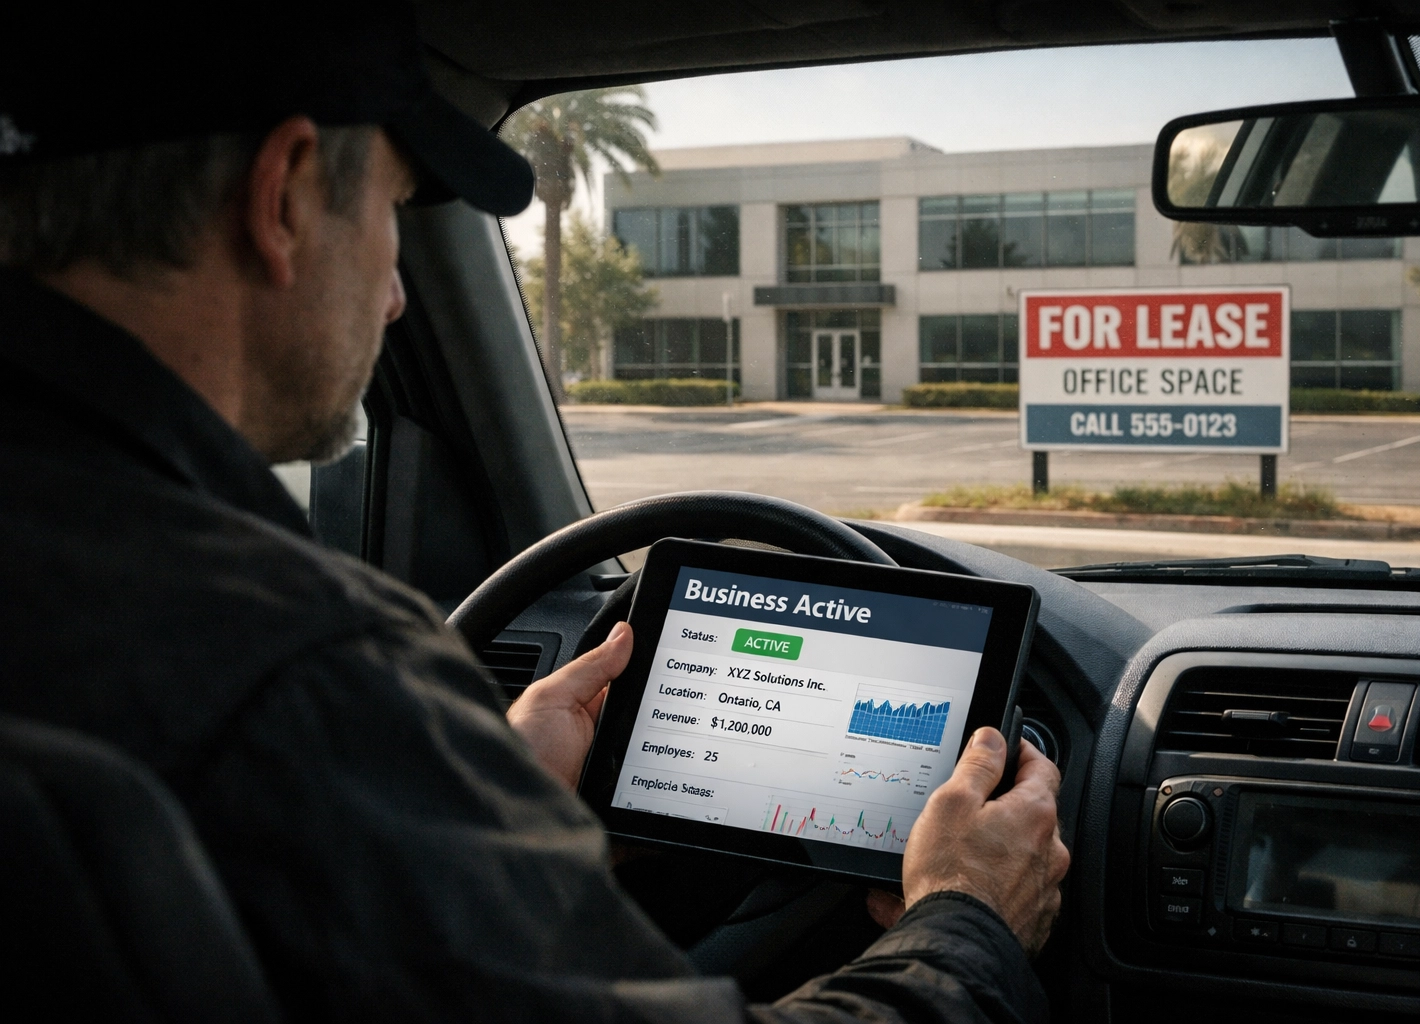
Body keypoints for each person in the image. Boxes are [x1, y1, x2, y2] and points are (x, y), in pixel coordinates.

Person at [0, 3, 1070, 1021]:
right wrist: (966, 921)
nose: (396, 294)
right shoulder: (304, 678)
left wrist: (490, 795)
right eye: (391, 210)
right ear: (281, 198)